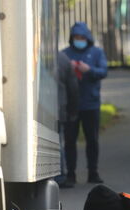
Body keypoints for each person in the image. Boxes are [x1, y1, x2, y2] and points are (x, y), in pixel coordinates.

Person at [60, 22, 108, 188]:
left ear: (87, 38)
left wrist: (89, 70)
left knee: (92, 140)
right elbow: (57, 75)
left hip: (91, 104)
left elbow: (104, 71)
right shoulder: (65, 54)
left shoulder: (96, 53)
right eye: (76, 37)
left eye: (82, 37)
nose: (79, 40)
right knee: (70, 141)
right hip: (71, 105)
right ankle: (70, 174)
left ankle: (93, 172)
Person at [56, 51, 79, 188]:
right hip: (58, 107)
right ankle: (59, 175)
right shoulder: (63, 58)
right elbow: (73, 88)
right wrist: (72, 110)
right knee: (58, 142)